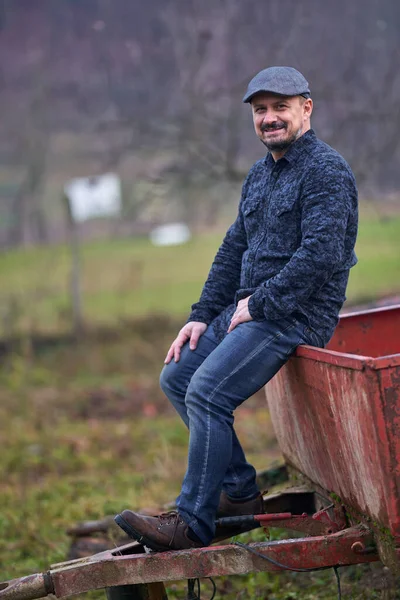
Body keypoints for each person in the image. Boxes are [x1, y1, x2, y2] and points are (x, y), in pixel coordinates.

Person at [115, 66, 358, 551]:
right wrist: (201, 314)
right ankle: (240, 494)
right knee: (178, 378)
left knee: (207, 392)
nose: (269, 119)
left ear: (306, 109)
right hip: (252, 308)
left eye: (279, 108)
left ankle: (191, 524)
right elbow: (234, 247)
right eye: (260, 110)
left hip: (294, 314)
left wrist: (262, 302)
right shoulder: (260, 174)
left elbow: (321, 255)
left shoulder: (327, 172)